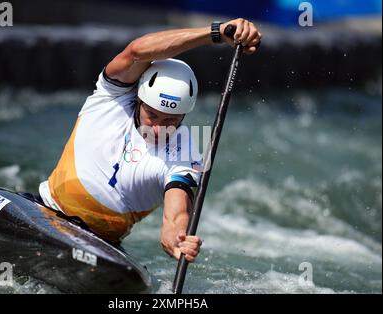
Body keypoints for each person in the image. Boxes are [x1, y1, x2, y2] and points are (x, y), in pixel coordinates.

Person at [38, 19, 261, 263]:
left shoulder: (185, 151)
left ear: (183, 116)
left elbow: (175, 215)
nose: (157, 128)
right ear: (139, 100)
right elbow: (136, 51)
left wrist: (176, 238)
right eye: (152, 115)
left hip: (101, 245)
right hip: (45, 211)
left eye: (170, 121)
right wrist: (215, 33)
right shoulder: (112, 95)